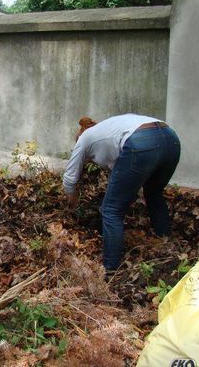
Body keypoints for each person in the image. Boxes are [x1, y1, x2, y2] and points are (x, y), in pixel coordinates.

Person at [63, 114, 181, 277]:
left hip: (141, 141)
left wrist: (73, 204)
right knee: (154, 193)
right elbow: (125, 173)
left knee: (111, 210)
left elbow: (69, 179)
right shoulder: (109, 129)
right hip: (170, 138)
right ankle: (166, 243)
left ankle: (110, 269)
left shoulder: (84, 138)